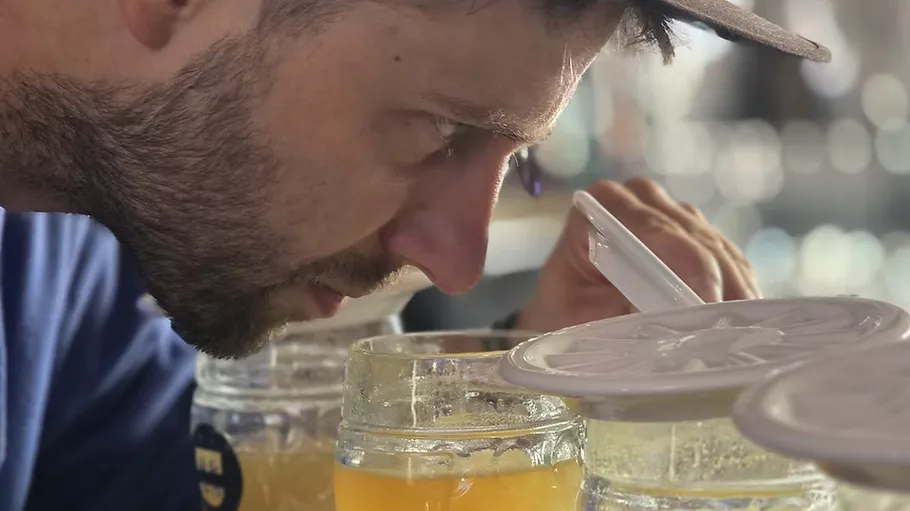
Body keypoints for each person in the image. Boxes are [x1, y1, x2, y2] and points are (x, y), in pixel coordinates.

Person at [0, 0, 827, 509]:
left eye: (515, 160)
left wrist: (508, 392)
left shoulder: (71, 251)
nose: (457, 265)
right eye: (442, 131)